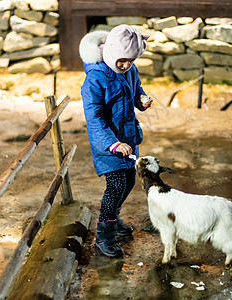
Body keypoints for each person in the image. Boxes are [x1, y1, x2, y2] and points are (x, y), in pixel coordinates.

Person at [79, 24, 153, 258]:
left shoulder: (129, 70)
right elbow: (94, 118)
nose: (126, 65)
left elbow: (135, 89)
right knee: (116, 185)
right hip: (108, 143)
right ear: (111, 53)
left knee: (130, 181)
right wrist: (112, 144)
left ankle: (113, 218)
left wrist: (141, 100)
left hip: (128, 138)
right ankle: (104, 236)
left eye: (131, 60)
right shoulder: (95, 79)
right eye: (122, 60)